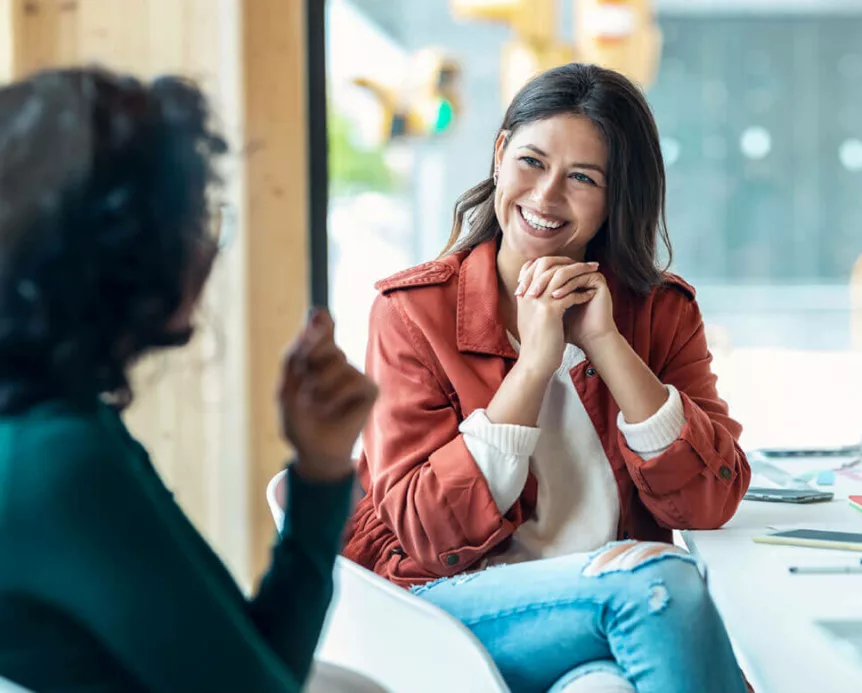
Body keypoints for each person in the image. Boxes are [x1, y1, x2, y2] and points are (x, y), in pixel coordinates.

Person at [344, 63, 752, 693]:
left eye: (582, 178)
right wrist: (534, 366)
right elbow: (426, 536)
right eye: (532, 161)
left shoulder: (660, 313)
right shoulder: (413, 313)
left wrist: (605, 343)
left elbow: (707, 502)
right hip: (453, 610)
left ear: (618, 197)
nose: (546, 197)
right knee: (662, 583)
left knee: (602, 685)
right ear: (501, 152)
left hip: (604, 622)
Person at [0, 67, 377, 693]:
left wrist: (322, 470)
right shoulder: (63, 464)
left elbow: (257, 664)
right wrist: (320, 483)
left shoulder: (51, 427)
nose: (207, 247)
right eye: (197, 218)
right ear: (124, 252)